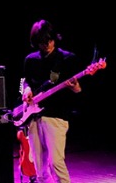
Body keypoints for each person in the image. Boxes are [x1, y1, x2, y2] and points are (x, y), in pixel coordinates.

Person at [20, 20, 83, 183]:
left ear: (54, 38)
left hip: (57, 116)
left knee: (56, 162)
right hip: (34, 117)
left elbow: (80, 92)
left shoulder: (67, 58)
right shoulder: (30, 60)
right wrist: (26, 89)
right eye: (42, 42)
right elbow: (24, 81)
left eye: (49, 40)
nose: (47, 45)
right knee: (40, 169)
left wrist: (76, 87)